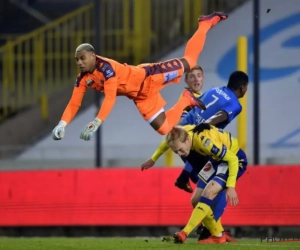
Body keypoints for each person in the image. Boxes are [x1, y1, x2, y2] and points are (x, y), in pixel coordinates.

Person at [51, 13, 228, 141]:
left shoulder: (106, 68)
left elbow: (110, 97)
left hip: (150, 77)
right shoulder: (82, 78)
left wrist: (97, 121)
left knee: (190, 61)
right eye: (77, 60)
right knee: (165, 128)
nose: (80, 63)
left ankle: (205, 23)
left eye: (82, 58)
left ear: (93, 56)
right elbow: (74, 103)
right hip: (140, 96)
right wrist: (62, 124)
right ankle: (186, 99)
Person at [165, 123, 247, 244]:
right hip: (215, 160)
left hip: (233, 159)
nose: (180, 154)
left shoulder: (206, 142)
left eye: (181, 150)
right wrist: (153, 158)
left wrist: (231, 186)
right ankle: (219, 234)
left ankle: (184, 233)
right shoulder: (184, 134)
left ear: (187, 139)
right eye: (176, 152)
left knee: (208, 192)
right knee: (195, 200)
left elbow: (232, 159)